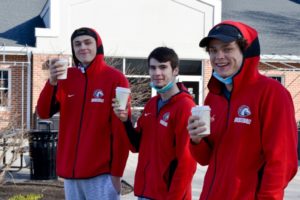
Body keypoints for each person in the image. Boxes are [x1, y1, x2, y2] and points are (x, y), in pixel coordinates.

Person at [187, 20, 298, 199]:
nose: (219, 56)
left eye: (227, 49)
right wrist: (196, 140)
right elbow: (205, 159)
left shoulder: (272, 93)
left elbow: (282, 162)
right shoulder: (214, 95)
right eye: (213, 51)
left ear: (246, 52)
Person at [36, 27, 130, 200]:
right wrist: (52, 82)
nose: (82, 47)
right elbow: (43, 112)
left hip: (101, 175)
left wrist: (117, 173)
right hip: (70, 175)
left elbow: (121, 131)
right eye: (77, 44)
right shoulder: (66, 77)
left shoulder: (115, 78)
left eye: (88, 42)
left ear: (98, 46)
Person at [113, 47, 197, 200]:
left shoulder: (186, 107)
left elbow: (187, 163)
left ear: (175, 70)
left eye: (163, 67)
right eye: (153, 68)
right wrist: (125, 121)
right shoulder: (152, 104)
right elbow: (136, 145)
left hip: (168, 196)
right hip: (146, 192)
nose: (157, 73)